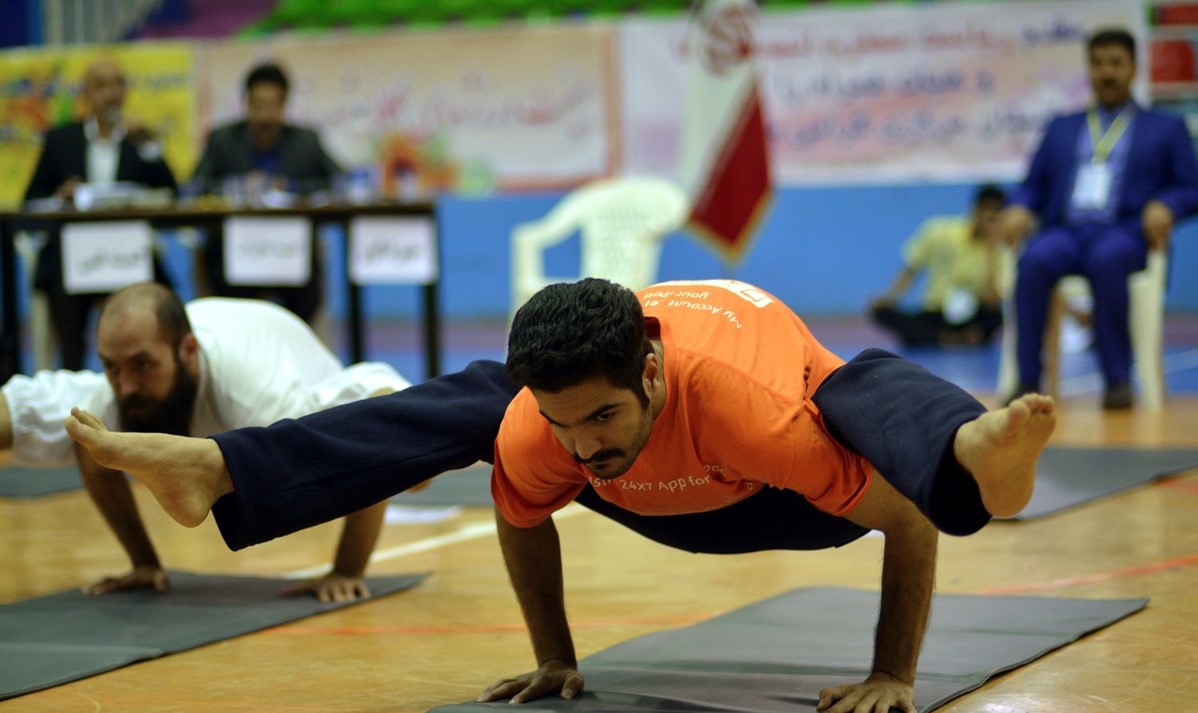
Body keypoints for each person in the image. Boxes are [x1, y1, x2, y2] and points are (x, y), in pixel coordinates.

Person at [64, 278, 1055, 713]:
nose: (584, 443)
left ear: (655, 377)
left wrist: (892, 672)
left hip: (771, 497)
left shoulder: (751, 412)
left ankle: (974, 449)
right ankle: (227, 468)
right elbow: (518, 507)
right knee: (478, 404)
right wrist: (555, 656)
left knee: (858, 385)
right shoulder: (548, 425)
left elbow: (903, 519)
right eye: (566, 421)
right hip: (654, 495)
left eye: (603, 418)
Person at [2, 282, 410, 601]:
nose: (125, 385)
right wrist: (143, 563)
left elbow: (369, 444)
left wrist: (347, 569)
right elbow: (92, 456)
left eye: (142, 365)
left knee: (404, 444)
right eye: (110, 367)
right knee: (55, 421)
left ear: (189, 351)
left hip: (298, 379)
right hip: (208, 377)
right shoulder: (120, 388)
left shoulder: (260, 398)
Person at [998, 27, 1198, 409]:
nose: (1107, 72)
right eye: (1098, 63)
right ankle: (1026, 377)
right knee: (1034, 260)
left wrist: (1167, 206)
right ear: (1088, 69)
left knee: (1105, 260)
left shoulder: (1165, 128)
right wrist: (1020, 207)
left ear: (1133, 68)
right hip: (1066, 231)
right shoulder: (1062, 126)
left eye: (1116, 63)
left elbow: (1191, 188)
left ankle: (1117, 380)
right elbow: (1032, 186)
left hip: (1123, 231)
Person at [23, 58, 178, 369]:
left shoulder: (139, 140)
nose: (111, 94)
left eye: (118, 84)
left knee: (165, 296)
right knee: (62, 292)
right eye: (101, 86)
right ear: (86, 94)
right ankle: (71, 377)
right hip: (73, 256)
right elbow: (32, 200)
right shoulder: (61, 139)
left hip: (127, 253)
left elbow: (170, 192)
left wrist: (150, 146)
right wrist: (59, 196)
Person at [190, 61, 341, 325]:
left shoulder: (306, 141)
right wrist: (237, 187)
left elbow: (337, 182)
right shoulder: (222, 140)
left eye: (272, 105)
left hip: (291, 250)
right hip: (232, 250)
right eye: (258, 105)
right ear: (246, 103)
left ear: (284, 105)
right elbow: (196, 186)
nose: (265, 116)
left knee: (305, 295)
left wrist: (291, 188)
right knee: (228, 293)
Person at [869, 185, 1006, 347]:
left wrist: (991, 251)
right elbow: (911, 268)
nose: (988, 218)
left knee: (996, 317)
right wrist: (891, 297)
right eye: (985, 211)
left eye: (995, 215)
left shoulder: (1000, 250)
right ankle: (951, 338)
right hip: (936, 313)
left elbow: (992, 300)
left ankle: (935, 338)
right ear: (975, 209)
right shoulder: (940, 232)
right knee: (880, 312)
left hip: (972, 315)